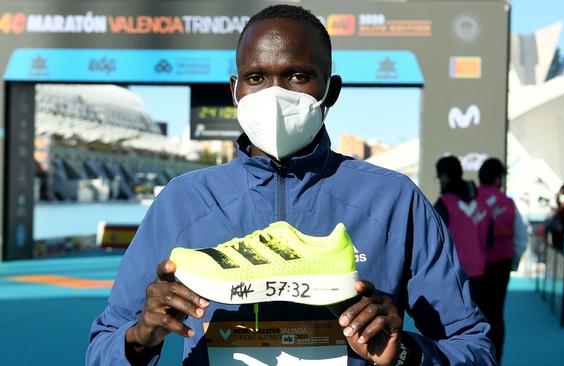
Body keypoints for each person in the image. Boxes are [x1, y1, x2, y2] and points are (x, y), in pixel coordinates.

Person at [86, 5, 495, 365]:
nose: (275, 95)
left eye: (297, 76)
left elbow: (473, 346)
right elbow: (103, 346)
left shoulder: (394, 200)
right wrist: (140, 337)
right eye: (256, 77)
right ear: (235, 91)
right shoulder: (183, 201)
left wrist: (405, 352)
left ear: (330, 90)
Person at [476, 158, 527, 363]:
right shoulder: (508, 203)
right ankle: (495, 358)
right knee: (496, 313)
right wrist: (513, 263)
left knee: (473, 314)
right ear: (499, 178)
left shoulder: (471, 201)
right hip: (501, 264)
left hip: (475, 267)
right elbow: (521, 238)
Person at [434, 155, 491, 303]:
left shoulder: (444, 204)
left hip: (453, 274)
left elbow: (434, 241)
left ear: (444, 177)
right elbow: (489, 240)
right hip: (479, 272)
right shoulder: (482, 203)